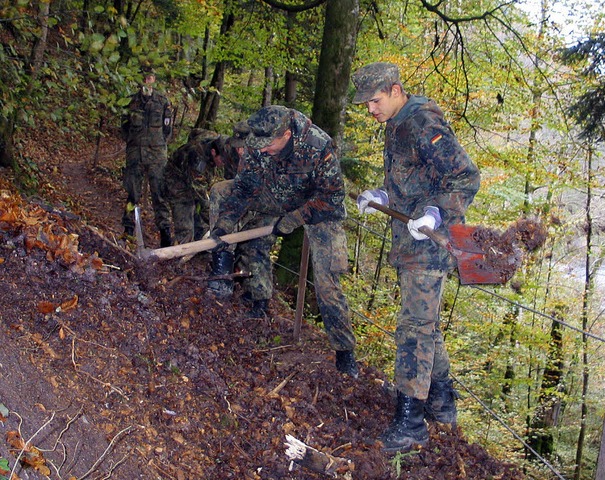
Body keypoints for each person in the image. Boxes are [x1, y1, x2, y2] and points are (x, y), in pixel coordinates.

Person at [352, 62, 481, 452]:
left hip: (430, 242)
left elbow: (465, 177)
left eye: (374, 101)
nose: (370, 109)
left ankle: (410, 423)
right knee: (426, 326)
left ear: (395, 90)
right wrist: (386, 196)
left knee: (414, 330)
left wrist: (436, 213)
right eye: (366, 104)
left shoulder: (422, 121)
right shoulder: (396, 123)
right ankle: (441, 407)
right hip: (410, 242)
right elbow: (415, 179)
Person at [208, 105, 358, 378]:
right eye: (259, 145)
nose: (262, 150)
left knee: (327, 284)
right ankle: (225, 277)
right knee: (222, 192)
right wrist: (226, 223)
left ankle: (345, 354)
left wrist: (295, 218)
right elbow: (244, 187)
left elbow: (332, 198)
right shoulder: (257, 143)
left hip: (316, 209)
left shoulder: (318, 145)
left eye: (269, 145)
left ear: (287, 134)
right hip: (274, 196)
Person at [165, 123, 249, 245]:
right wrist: (217, 219)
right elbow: (202, 198)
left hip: (194, 174)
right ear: (214, 152)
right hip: (176, 178)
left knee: (201, 224)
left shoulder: (222, 142)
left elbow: (196, 131)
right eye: (222, 160)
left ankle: (202, 247)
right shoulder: (198, 162)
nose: (223, 164)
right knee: (186, 216)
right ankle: (181, 251)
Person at [121, 67, 174, 247]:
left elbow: (168, 131)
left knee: (159, 194)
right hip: (135, 153)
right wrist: (133, 143)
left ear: (154, 80)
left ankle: (165, 232)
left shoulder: (162, 101)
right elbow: (124, 127)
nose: (147, 81)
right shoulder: (131, 102)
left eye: (150, 77)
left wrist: (157, 144)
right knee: (132, 193)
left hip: (156, 155)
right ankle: (128, 230)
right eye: (144, 77)